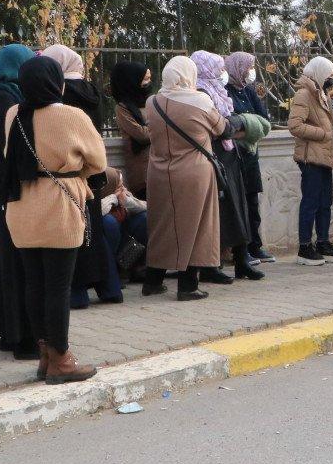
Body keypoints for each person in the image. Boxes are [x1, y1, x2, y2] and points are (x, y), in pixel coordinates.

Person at [2, 55, 105, 384]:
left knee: (34, 284)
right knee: (59, 287)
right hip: (60, 204)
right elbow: (98, 161)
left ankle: (46, 355)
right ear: (57, 83)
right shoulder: (72, 115)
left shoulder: (12, 115)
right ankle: (62, 359)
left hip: (21, 206)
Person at [143, 55, 231, 300]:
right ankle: (188, 285)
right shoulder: (200, 101)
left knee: (161, 226)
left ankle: (152, 281)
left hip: (159, 171)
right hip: (194, 173)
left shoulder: (152, 102)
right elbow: (223, 128)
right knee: (197, 226)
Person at [44, 44, 121, 308]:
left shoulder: (61, 95)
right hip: (93, 170)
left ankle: (77, 293)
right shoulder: (92, 91)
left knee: (75, 234)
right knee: (94, 231)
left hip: (69, 172)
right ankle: (110, 288)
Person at [0, 43, 39, 358]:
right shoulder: (6, 98)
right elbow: (16, 142)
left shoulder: (0, 94)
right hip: (7, 181)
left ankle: (10, 331)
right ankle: (19, 336)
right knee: (14, 257)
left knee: (5, 256)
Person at [191, 50, 263, 282]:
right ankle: (212, 265)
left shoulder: (217, 91)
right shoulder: (201, 93)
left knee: (238, 207)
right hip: (215, 156)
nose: (223, 74)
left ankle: (242, 261)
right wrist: (240, 122)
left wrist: (235, 123)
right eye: (219, 68)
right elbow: (220, 125)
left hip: (230, 156)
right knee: (221, 213)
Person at [288, 56, 333, 265]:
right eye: (329, 75)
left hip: (324, 156)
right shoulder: (304, 93)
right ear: (319, 73)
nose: (331, 79)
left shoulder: (320, 93)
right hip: (310, 157)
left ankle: (323, 241)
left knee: (325, 202)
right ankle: (304, 246)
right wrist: (322, 133)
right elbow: (295, 125)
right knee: (310, 202)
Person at [225, 51, 275, 264]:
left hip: (250, 154)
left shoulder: (249, 91)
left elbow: (264, 122)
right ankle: (240, 250)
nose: (250, 71)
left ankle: (256, 246)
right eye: (248, 67)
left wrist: (246, 124)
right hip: (233, 155)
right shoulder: (225, 92)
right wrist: (248, 124)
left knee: (253, 202)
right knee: (238, 203)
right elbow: (228, 125)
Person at [110, 59, 153, 199]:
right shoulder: (122, 108)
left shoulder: (152, 101)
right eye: (145, 79)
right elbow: (141, 134)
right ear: (132, 81)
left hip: (160, 167)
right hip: (142, 172)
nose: (148, 83)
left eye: (149, 79)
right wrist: (160, 127)